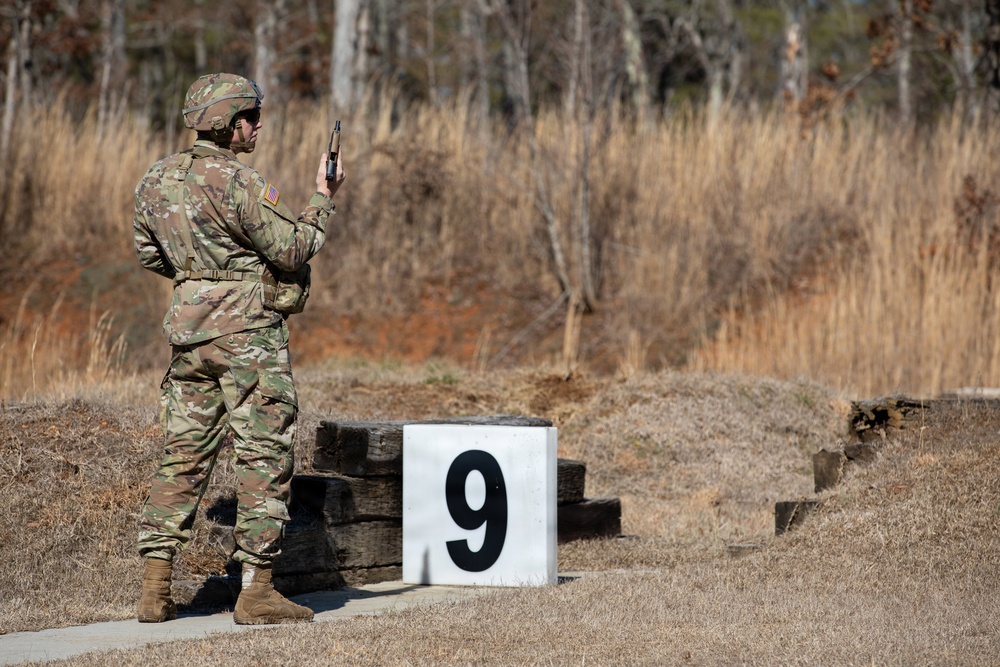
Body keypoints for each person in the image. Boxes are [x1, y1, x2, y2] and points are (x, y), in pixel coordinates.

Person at [132, 73, 345, 625]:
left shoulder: (155, 180)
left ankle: (155, 590)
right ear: (230, 125)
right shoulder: (240, 182)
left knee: (182, 455)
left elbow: (149, 255)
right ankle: (256, 591)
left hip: (189, 334)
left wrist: (199, 277)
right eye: (250, 117)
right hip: (248, 336)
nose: (257, 126)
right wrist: (323, 198)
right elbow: (295, 249)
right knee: (264, 454)